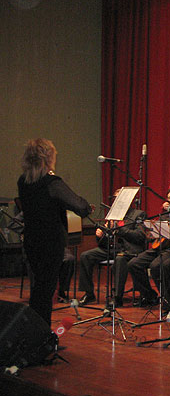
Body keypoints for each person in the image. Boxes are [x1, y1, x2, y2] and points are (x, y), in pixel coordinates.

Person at [17, 138, 93, 327]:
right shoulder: (52, 182)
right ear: (48, 158)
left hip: (31, 240)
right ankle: (40, 335)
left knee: (39, 289)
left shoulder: (23, 181)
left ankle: (34, 332)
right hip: (50, 242)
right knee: (46, 289)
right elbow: (80, 206)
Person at [77, 188, 147, 307]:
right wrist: (100, 235)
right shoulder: (112, 215)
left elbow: (140, 236)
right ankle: (89, 293)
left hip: (128, 250)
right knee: (86, 256)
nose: (117, 201)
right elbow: (103, 242)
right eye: (115, 199)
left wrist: (120, 229)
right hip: (111, 248)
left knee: (120, 259)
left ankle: (117, 297)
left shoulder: (138, 214)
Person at [128, 187, 170, 307]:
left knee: (156, 266)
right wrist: (150, 233)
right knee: (134, 264)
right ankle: (150, 296)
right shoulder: (164, 216)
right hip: (159, 247)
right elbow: (153, 236)